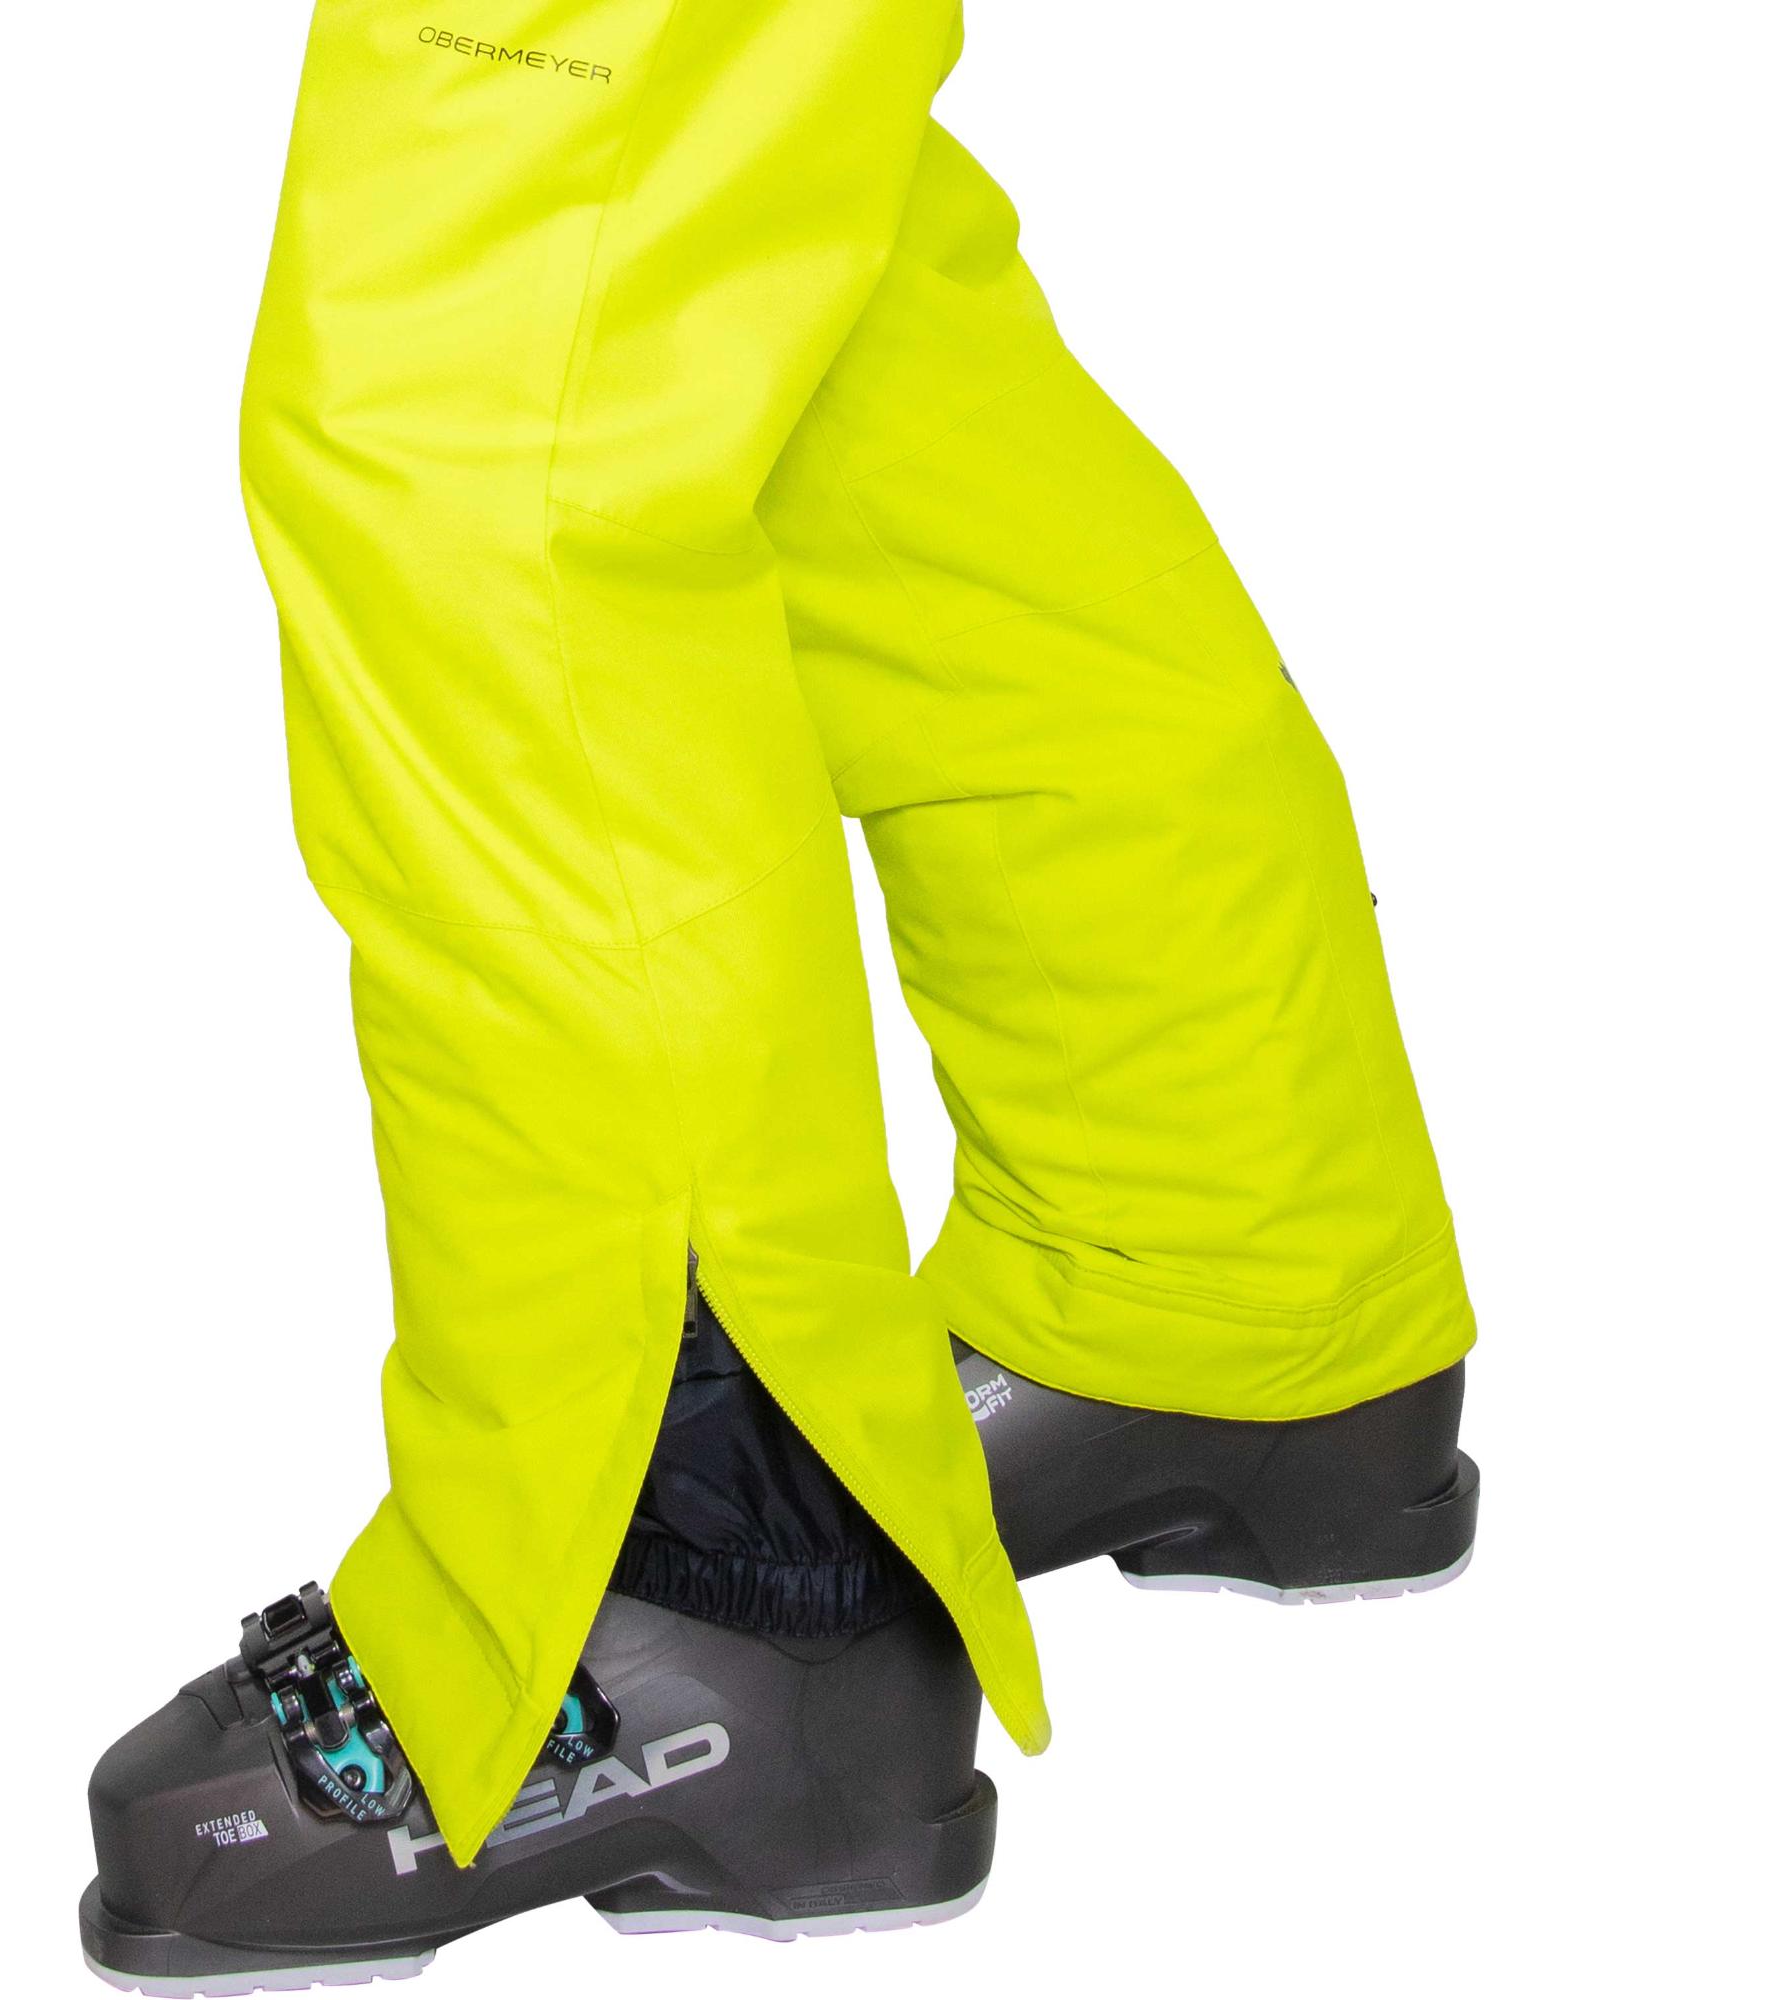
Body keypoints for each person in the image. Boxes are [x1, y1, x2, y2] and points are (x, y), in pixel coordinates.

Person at [79, 5, 1479, 1986]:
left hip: (708, 1560)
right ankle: (1216, 1265)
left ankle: (710, 1575)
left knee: (485, 391)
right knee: (772, 291)